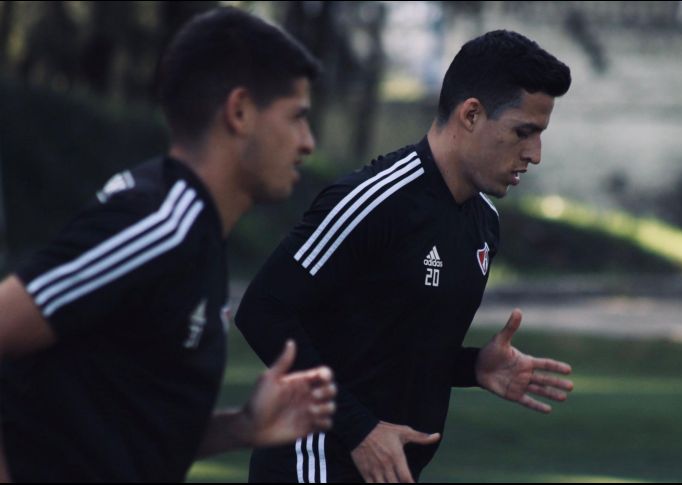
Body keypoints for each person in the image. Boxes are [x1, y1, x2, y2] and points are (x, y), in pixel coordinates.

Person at [0, 7, 337, 482]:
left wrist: (240, 428)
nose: (308, 142)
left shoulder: (195, 233)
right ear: (239, 112)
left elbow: (121, 432)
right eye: (297, 117)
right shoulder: (160, 226)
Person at [236, 30, 575, 483]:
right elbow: (263, 311)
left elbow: (389, 351)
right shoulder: (372, 201)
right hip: (312, 463)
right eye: (524, 132)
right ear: (471, 114)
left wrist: (473, 367)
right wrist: (359, 430)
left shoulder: (483, 225)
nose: (534, 154)